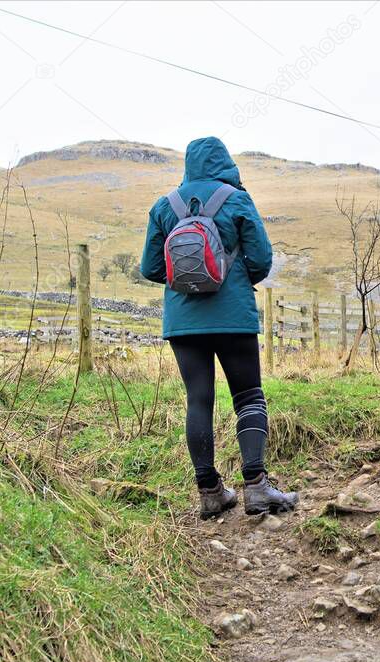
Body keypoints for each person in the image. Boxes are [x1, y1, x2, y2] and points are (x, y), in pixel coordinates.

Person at [140, 136, 298, 520]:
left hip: (183, 321)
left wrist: (187, 285)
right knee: (248, 396)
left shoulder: (165, 206)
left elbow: (150, 268)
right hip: (233, 317)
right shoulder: (237, 199)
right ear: (225, 163)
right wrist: (233, 278)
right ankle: (257, 487)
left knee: (198, 400)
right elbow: (261, 259)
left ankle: (210, 493)